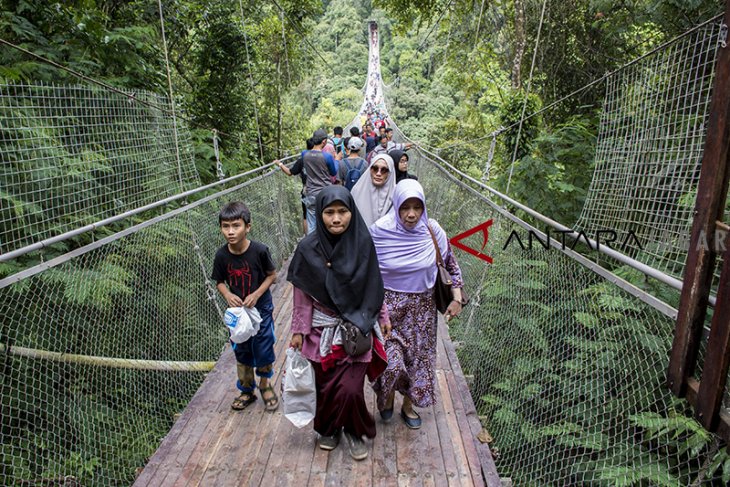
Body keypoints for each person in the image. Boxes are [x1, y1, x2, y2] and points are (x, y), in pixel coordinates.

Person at [288, 186, 391, 460]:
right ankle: (329, 429)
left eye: (343, 212)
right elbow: (301, 296)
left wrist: (382, 317)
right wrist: (299, 330)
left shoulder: (363, 243)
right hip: (321, 332)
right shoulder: (307, 250)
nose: (336, 219)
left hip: (357, 328)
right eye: (329, 212)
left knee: (350, 389)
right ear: (319, 214)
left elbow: (374, 284)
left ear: (351, 212)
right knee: (325, 387)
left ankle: (355, 431)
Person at [370, 180, 464, 429]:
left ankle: (408, 406)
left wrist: (456, 298)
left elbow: (451, 266)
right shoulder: (380, 231)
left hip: (422, 309)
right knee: (389, 361)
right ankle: (387, 394)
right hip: (387, 307)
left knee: (418, 360)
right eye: (405, 207)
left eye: (417, 207)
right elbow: (365, 268)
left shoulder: (433, 231)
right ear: (396, 206)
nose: (411, 214)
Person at [212, 202, 279, 412]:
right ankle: (246, 389)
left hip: (261, 308)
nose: (230, 231)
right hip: (239, 312)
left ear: (247, 227)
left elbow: (272, 275)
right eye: (225, 226)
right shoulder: (221, 256)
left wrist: (257, 294)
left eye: (236, 225)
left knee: (263, 345)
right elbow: (219, 281)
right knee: (241, 347)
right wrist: (228, 294)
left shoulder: (259, 250)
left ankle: (265, 384)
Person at [292, 129, 337, 234]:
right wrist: (337, 161)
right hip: (325, 194)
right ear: (324, 142)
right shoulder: (327, 157)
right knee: (326, 221)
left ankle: (313, 248)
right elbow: (333, 173)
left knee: (312, 224)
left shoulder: (304, 154)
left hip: (311, 193)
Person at [276, 138, 314, 235]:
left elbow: (289, 172)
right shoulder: (323, 158)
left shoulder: (302, 161)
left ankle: (308, 239)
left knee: (306, 216)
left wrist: (280, 164)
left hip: (307, 191)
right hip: (320, 190)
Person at [351, 153, 396, 227]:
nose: (378, 173)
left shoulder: (396, 195)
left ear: (390, 173)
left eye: (384, 170)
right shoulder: (357, 191)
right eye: (375, 168)